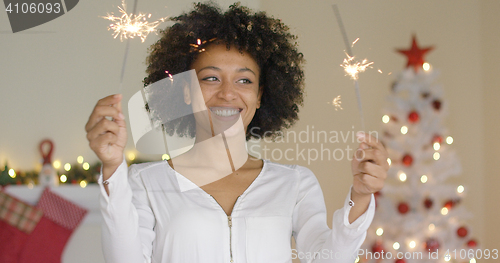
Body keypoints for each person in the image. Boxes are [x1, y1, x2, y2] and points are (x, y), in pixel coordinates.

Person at [85, 2, 388, 263]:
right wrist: (113, 167)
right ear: (187, 92)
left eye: (244, 81)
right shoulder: (145, 184)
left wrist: (360, 196)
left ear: (259, 96)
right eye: (211, 78)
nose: (228, 93)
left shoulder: (295, 184)